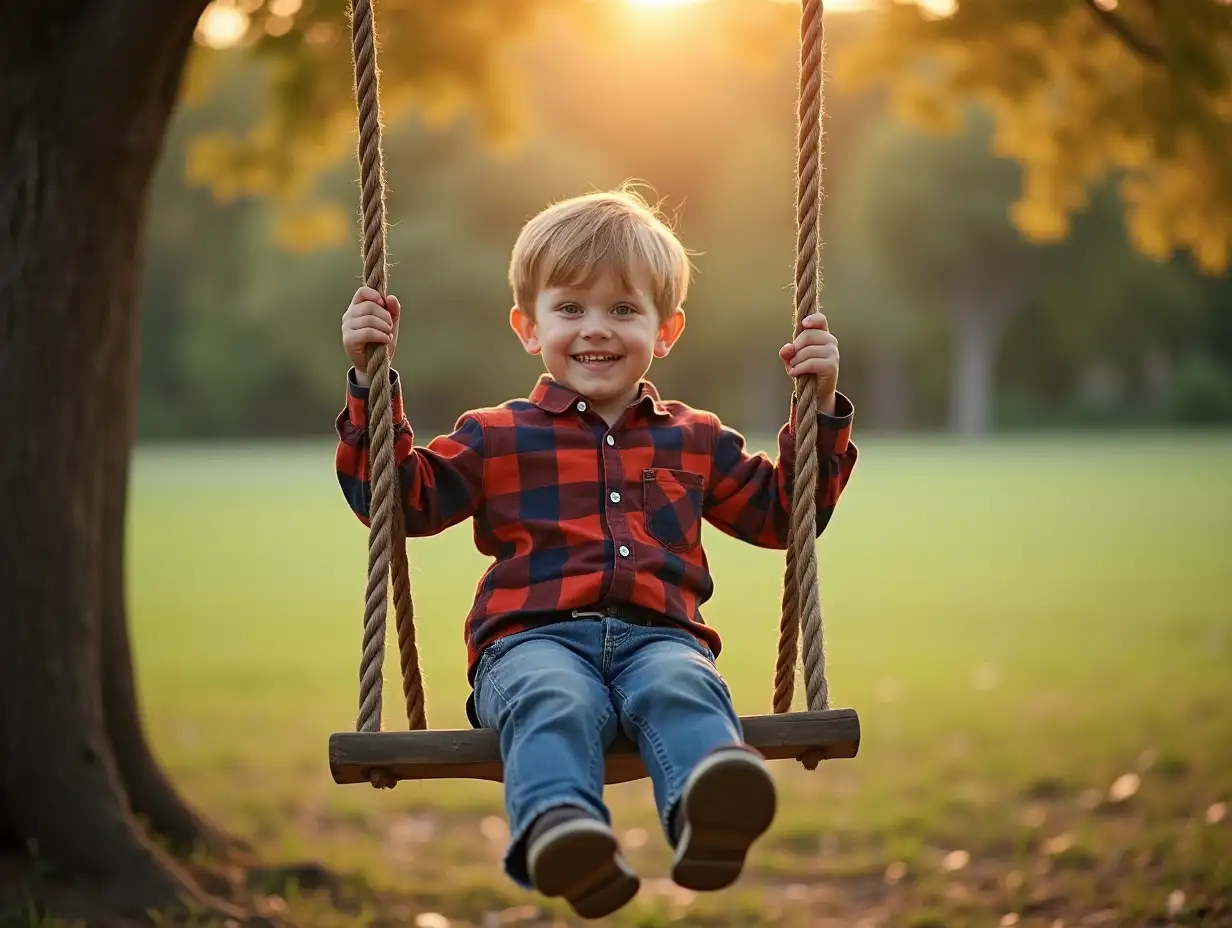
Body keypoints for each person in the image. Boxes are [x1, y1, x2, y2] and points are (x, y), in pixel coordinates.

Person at [335, 187, 858, 920]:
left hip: (659, 639)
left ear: (665, 330)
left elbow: (782, 515)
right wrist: (367, 382)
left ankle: (712, 809)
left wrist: (822, 407)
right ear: (528, 326)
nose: (596, 331)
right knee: (554, 698)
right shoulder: (496, 435)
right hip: (528, 643)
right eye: (570, 309)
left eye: (623, 310)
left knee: (685, 682)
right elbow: (400, 504)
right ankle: (562, 830)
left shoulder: (697, 438)